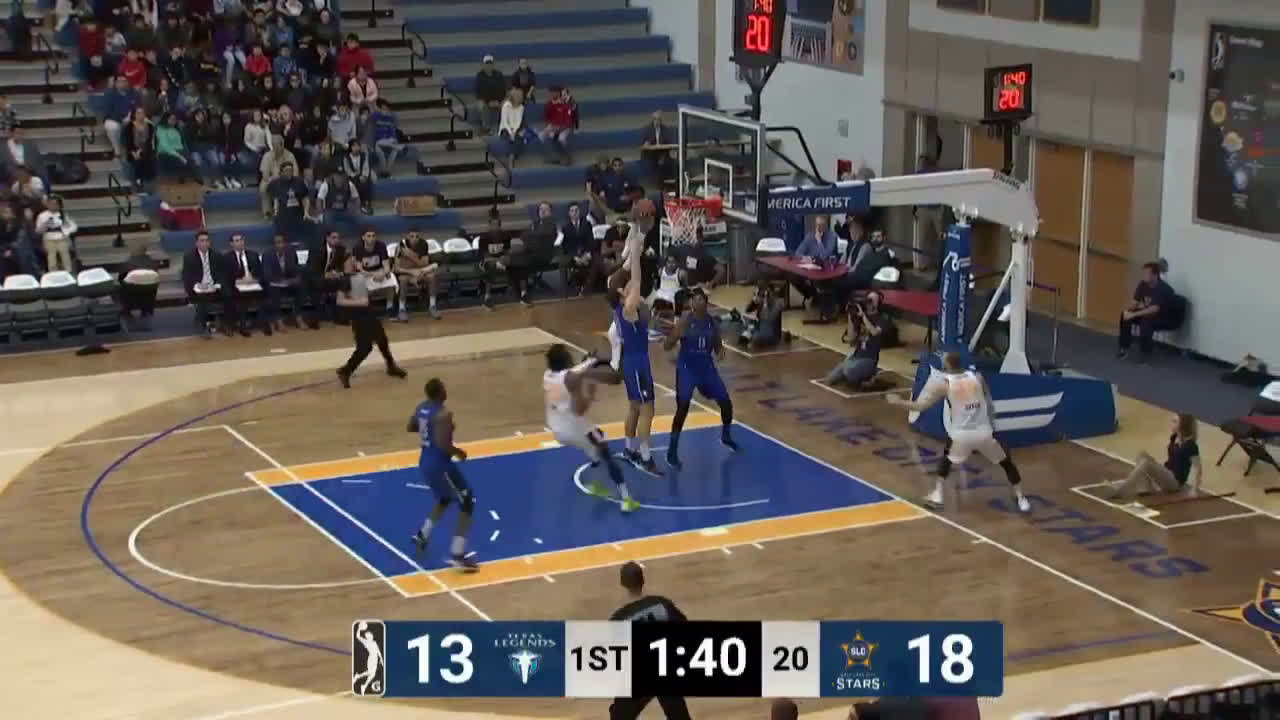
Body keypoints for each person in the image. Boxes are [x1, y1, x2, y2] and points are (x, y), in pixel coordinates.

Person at [887, 352, 1030, 512]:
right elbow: (989, 404)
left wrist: (898, 402)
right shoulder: (978, 377)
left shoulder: (944, 385)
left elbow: (919, 407)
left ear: (946, 365)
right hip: (983, 433)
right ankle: (1022, 499)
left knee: (946, 461)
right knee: (1006, 463)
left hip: (961, 436)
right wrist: (991, 424)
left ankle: (938, 495)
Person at [543, 343, 636, 512]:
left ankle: (595, 479)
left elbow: (574, 371)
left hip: (557, 430)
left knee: (593, 451)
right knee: (605, 451)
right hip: (575, 429)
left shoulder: (548, 375)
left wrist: (590, 361)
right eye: (568, 355)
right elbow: (580, 409)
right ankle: (626, 499)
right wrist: (590, 393)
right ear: (565, 359)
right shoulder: (570, 379)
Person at [408, 378, 479, 571]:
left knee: (444, 499)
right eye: (444, 389)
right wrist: (458, 452)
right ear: (440, 392)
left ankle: (423, 534)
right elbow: (442, 444)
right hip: (441, 465)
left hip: (425, 461)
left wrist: (428, 429)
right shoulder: (443, 414)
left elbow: (411, 426)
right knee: (467, 501)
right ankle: (458, 554)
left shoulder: (421, 408)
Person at [663, 287, 737, 469]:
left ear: (706, 302)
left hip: (706, 369)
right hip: (687, 369)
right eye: (694, 299)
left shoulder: (712, 324)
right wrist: (674, 335)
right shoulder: (684, 322)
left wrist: (721, 352)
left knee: (726, 403)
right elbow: (667, 345)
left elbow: (718, 346)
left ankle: (726, 436)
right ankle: (672, 451)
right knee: (683, 408)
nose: (697, 302)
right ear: (691, 303)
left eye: (700, 299)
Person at [607, 562, 691, 720]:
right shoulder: (661, 603)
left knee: (619, 716)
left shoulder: (618, 619)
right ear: (643, 580)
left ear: (622, 583)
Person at [610, 207, 658, 474]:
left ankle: (629, 449)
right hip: (638, 363)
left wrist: (635, 233)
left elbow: (634, 278)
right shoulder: (628, 308)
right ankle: (645, 457)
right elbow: (636, 278)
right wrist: (637, 249)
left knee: (634, 408)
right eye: (627, 286)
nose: (632, 286)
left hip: (632, 361)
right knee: (648, 409)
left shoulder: (625, 309)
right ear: (622, 292)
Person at [335, 256, 407, 388]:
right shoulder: (344, 279)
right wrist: (359, 302)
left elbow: (368, 286)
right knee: (365, 347)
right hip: (358, 316)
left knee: (382, 340)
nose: (353, 261)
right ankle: (345, 371)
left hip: (368, 312)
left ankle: (391, 366)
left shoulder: (358, 275)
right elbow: (340, 301)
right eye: (350, 260)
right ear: (344, 264)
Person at [1108, 413, 1201, 500]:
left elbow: (1198, 468)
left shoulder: (1191, 445)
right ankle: (1145, 488)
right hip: (1167, 472)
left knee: (1146, 464)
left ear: (1182, 426)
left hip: (1175, 481)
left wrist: (1194, 490)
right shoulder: (1174, 437)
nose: (1172, 423)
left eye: (1175, 422)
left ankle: (1121, 491)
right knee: (1142, 454)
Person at [824, 291, 889, 389]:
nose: (869, 303)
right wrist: (850, 317)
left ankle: (870, 376)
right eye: (868, 300)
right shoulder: (860, 317)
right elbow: (851, 339)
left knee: (849, 372)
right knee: (830, 379)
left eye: (872, 300)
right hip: (856, 357)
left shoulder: (882, 319)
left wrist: (863, 316)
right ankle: (860, 376)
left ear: (878, 303)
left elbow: (874, 332)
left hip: (869, 360)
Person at [1118, 260, 1176, 362]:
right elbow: (1135, 302)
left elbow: (1154, 309)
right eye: (1143, 273)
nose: (1143, 276)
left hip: (1164, 317)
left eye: (1146, 273)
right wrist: (1129, 311)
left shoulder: (1163, 288)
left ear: (1155, 275)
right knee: (1125, 315)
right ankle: (1124, 347)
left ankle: (1145, 353)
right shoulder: (1142, 284)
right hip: (1149, 313)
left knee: (1146, 320)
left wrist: (1134, 314)